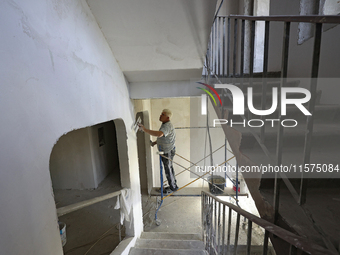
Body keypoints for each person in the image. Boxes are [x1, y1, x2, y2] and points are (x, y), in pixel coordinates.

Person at [138, 109, 179, 193]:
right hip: (167, 150)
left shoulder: (167, 126)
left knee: (168, 169)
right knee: (169, 168)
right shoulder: (165, 124)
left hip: (167, 151)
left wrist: (144, 129)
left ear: (167, 117)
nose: (160, 115)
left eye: (162, 114)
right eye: (161, 113)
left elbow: (160, 134)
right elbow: (164, 137)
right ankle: (173, 185)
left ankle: (173, 187)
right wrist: (154, 143)